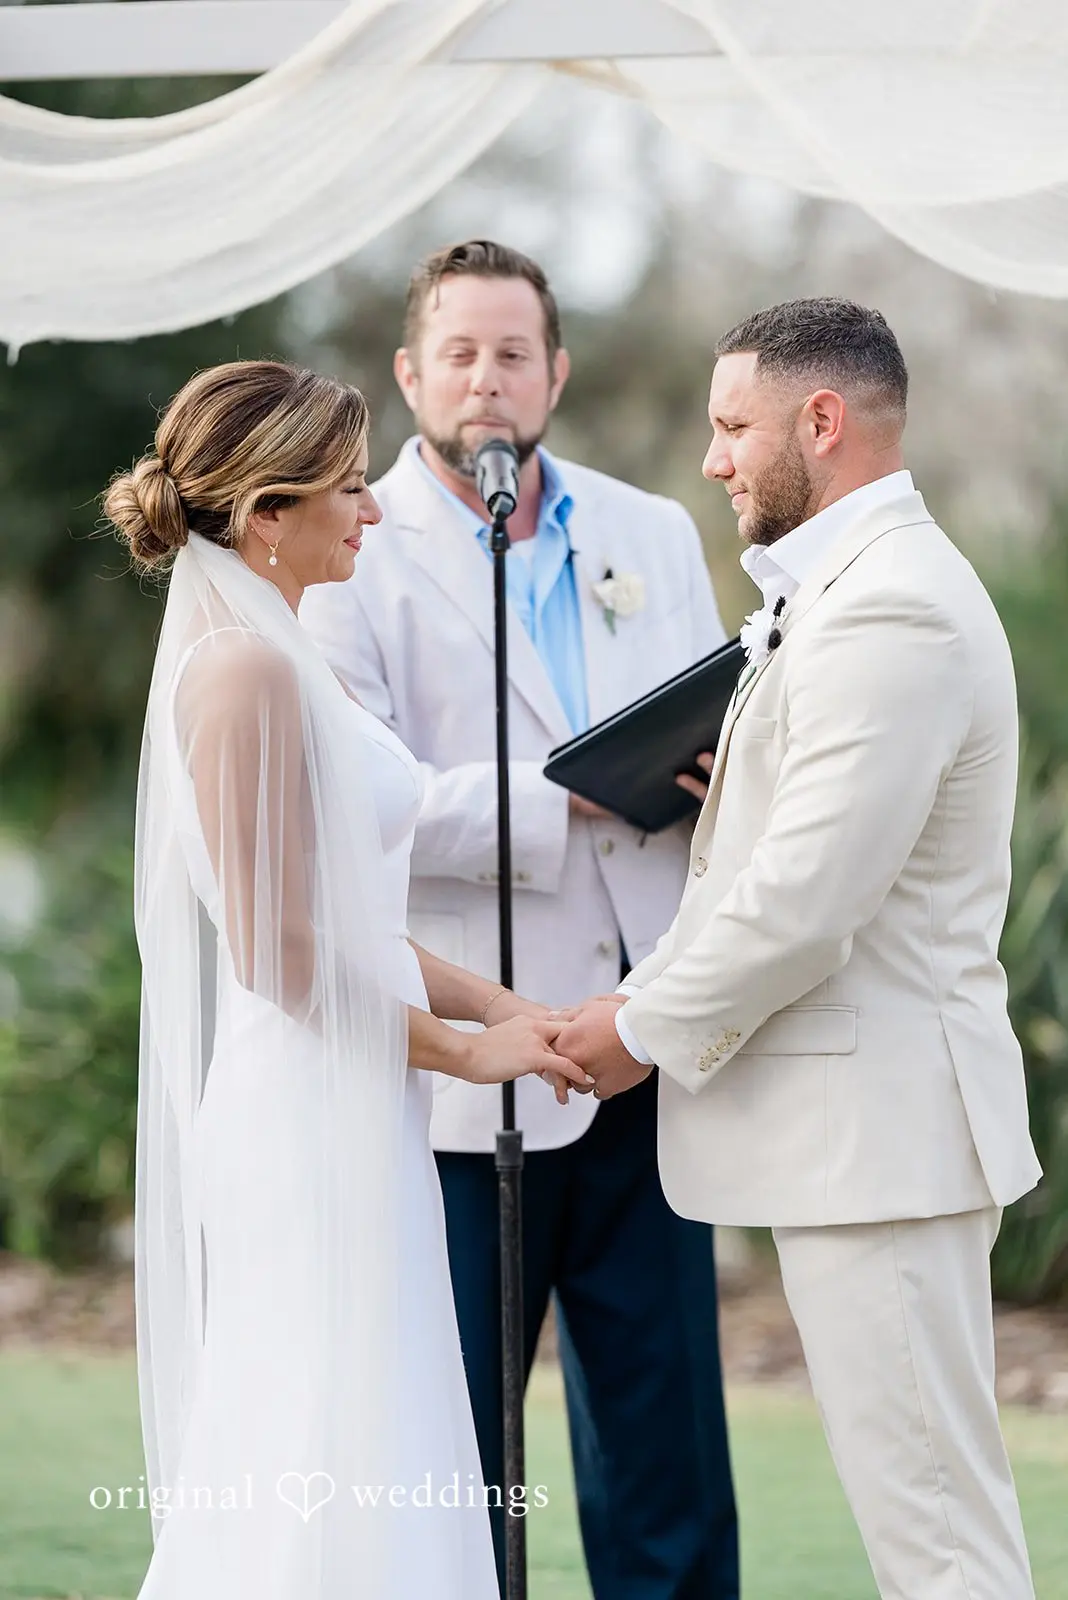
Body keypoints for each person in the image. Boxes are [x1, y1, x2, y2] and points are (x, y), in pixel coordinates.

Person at [553, 298, 1042, 1599]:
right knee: (927, 1528)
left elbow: (806, 901)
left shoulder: (893, 611)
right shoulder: (841, 595)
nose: (712, 459)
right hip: (863, 1145)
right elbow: (782, 857)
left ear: (820, 424)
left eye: (732, 428)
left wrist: (633, 1026)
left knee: (939, 1545)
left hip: (884, 1144)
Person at [103, 359, 590, 1600]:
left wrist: (498, 1005)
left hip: (351, 1097)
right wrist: (469, 1053)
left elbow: (342, 916)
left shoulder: (273, 649)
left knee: (368, 1415)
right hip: (305, 1112)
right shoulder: (243, 671)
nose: (371, 510)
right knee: (318, 1432)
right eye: (343, 490)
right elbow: (278, 954)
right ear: (266, 514)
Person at [300, 240, 739, 1600]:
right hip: (466, 1065)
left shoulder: (651, 531)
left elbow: (710, 713)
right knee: (462, 1444)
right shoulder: (346, 548)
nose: (486, 382)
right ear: (410, 373)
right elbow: (355, 803)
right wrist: (575, 805)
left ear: (556, 369)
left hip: (643, 1040)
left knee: (662, 1438)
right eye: (460, 354)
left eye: (512, 354)